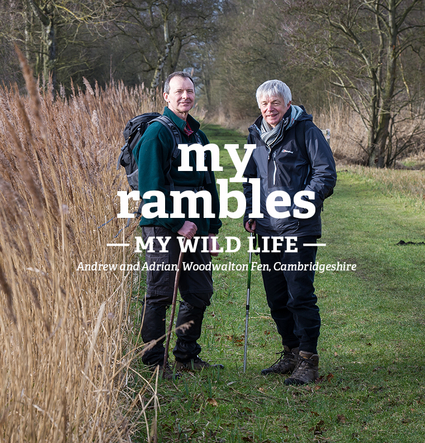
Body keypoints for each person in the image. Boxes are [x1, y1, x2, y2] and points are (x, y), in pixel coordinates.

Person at [243, 80, 336, 385]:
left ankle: (308, 360)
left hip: (299, 227)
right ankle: (291, 353)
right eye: (264, 104)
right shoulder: (254, 136)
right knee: (276, 296)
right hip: (267, 229)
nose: (270, 109)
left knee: (300, 294)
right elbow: (250, 180)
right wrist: (251, 211)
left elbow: (325, 174)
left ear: (287, 104)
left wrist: (301, 203)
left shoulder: (307, 131)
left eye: (275, 103)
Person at [133, 71, 223, 378]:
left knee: (199, 293)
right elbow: (149, 189)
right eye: (179, 91)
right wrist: (176, 222)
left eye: (189, 91)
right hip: (162, 226)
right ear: (166, 97)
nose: (185, 96)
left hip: (196, 228)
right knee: (160, 294)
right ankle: (155, 362)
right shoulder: (157, 134)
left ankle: (186, 354)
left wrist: (211, 230)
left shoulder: (198, 136)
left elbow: (209, 186)